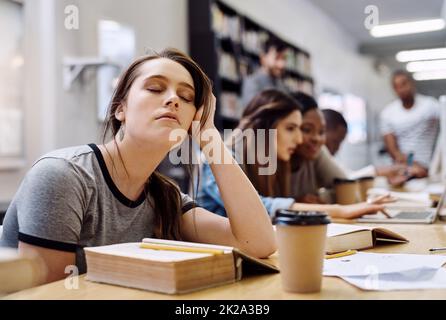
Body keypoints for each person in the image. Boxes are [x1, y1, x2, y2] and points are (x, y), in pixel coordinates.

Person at [0, 49, 276, 285]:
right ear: (120, 109)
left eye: (187, 97)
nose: (173, 100)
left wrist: (210, 137)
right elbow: (49, 296)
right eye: (155, 88)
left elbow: (258, 243)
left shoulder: (165, 198)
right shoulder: (62, 176)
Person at [198, 89, 391, 219]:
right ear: (263, 128)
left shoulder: (272, 162)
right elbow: (256, 207)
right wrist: (338, 210)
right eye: (291, 128)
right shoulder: (218, 158)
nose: (300, 140)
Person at [322, 108, 408, 185]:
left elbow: (346, 176)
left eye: (340, 142)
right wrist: (379, 171)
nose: (337, 148)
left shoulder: (327, 159)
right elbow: (345, 179)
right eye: (335, 141)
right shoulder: (317, 155)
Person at [380, 70, 441, 178]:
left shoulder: (431, 106)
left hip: (429, 167)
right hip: (402, 168)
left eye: (404, 84)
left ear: (412, 83)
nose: (401, 89)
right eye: (396, 86)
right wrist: (411, 165)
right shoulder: (388, 113)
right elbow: (392, 149)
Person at [240, 37, 288, 107]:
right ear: (263, 58)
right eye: (277, 58)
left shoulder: (283, 87)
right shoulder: (252, 83)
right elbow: (251, 114)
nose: (281, 64)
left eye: (284, 58)